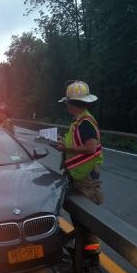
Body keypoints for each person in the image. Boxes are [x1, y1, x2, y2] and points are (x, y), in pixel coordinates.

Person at [57, 80, 103, 261]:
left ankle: (91, 255)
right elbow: (76, 143)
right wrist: (64, 144)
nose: (67, 106)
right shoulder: (79, 122)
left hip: (85, 177)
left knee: (87, 219)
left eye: (68, 102)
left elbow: (90, 148)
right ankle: (83, 250)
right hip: (78, 175)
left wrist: (67, 149)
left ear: (73, 104)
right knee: (79, 217)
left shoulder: (85, 123)